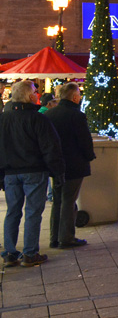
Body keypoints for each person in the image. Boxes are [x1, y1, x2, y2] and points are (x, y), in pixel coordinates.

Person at [0, 80, 64, 268]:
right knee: (33, 212)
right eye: (35, 91)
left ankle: (10, 252)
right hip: (34, 171)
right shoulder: (38, 119)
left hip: (11, 172)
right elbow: (51, 147)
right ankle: (29, 253)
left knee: (12, 211)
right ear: (29, 96)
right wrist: (57, 172)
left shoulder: (3, 119)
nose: (37, 94)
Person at [44, 83, 95, 250]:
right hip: (74, 164)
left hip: (56, 164)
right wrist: (89, 156)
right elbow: (84, 141)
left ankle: (54, 237)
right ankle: (66, 237)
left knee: (58, 200)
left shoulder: (50, 114)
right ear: (74, 97)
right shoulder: (77, 115)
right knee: (68, 200)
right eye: (79, 94)